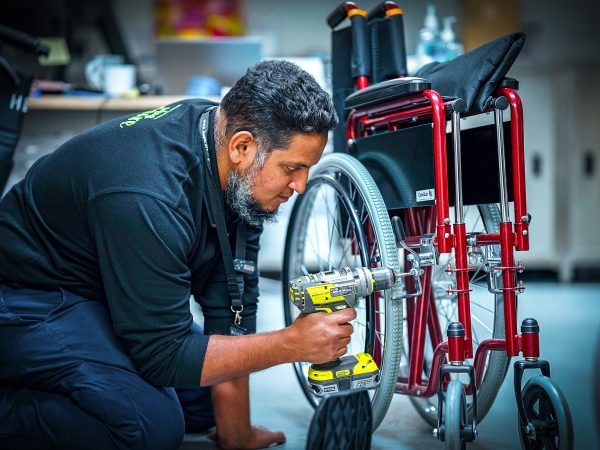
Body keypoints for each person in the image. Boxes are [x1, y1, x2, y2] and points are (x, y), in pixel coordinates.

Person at [0, 60, 354, 449]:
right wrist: (289, 343)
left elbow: (232, 309)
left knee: (204, 401)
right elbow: (162, 355)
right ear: (242, 146)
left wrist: (236, 434)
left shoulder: (234, 165)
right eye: (293, 168)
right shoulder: (147, 195)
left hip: (104, 291)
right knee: (147, 429)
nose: (300, 185)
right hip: (29, 297)